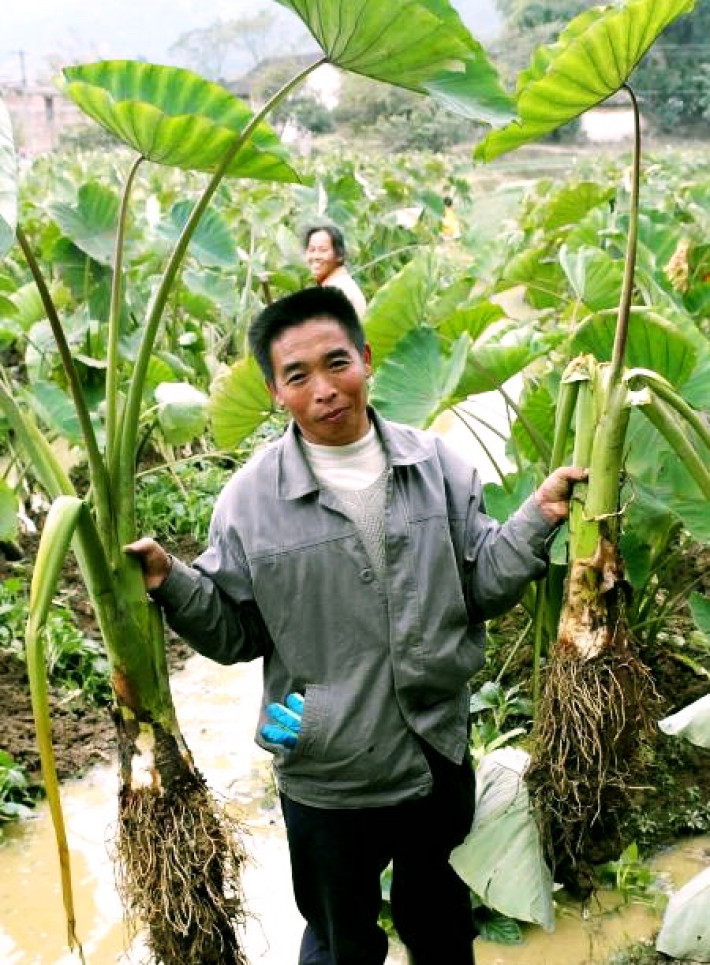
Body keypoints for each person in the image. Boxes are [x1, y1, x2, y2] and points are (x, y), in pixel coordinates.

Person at [125, 286, 586, 965]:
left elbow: (480, 585)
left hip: (436, 749)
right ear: (275, 391)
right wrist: (172, 579)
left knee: (440, 923)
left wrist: (535, 520)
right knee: (342, 942)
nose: (324, 389)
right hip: (327, 770)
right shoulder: (250, 501)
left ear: (366, 359)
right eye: (298, 375)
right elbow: (234, 634)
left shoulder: (439, 466)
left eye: (337, 362)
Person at [304, 223, 367, 318]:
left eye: (323, 250)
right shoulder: (339, 286)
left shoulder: (336, 292)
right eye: (312, 250)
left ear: (339, 255)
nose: (315, 256)